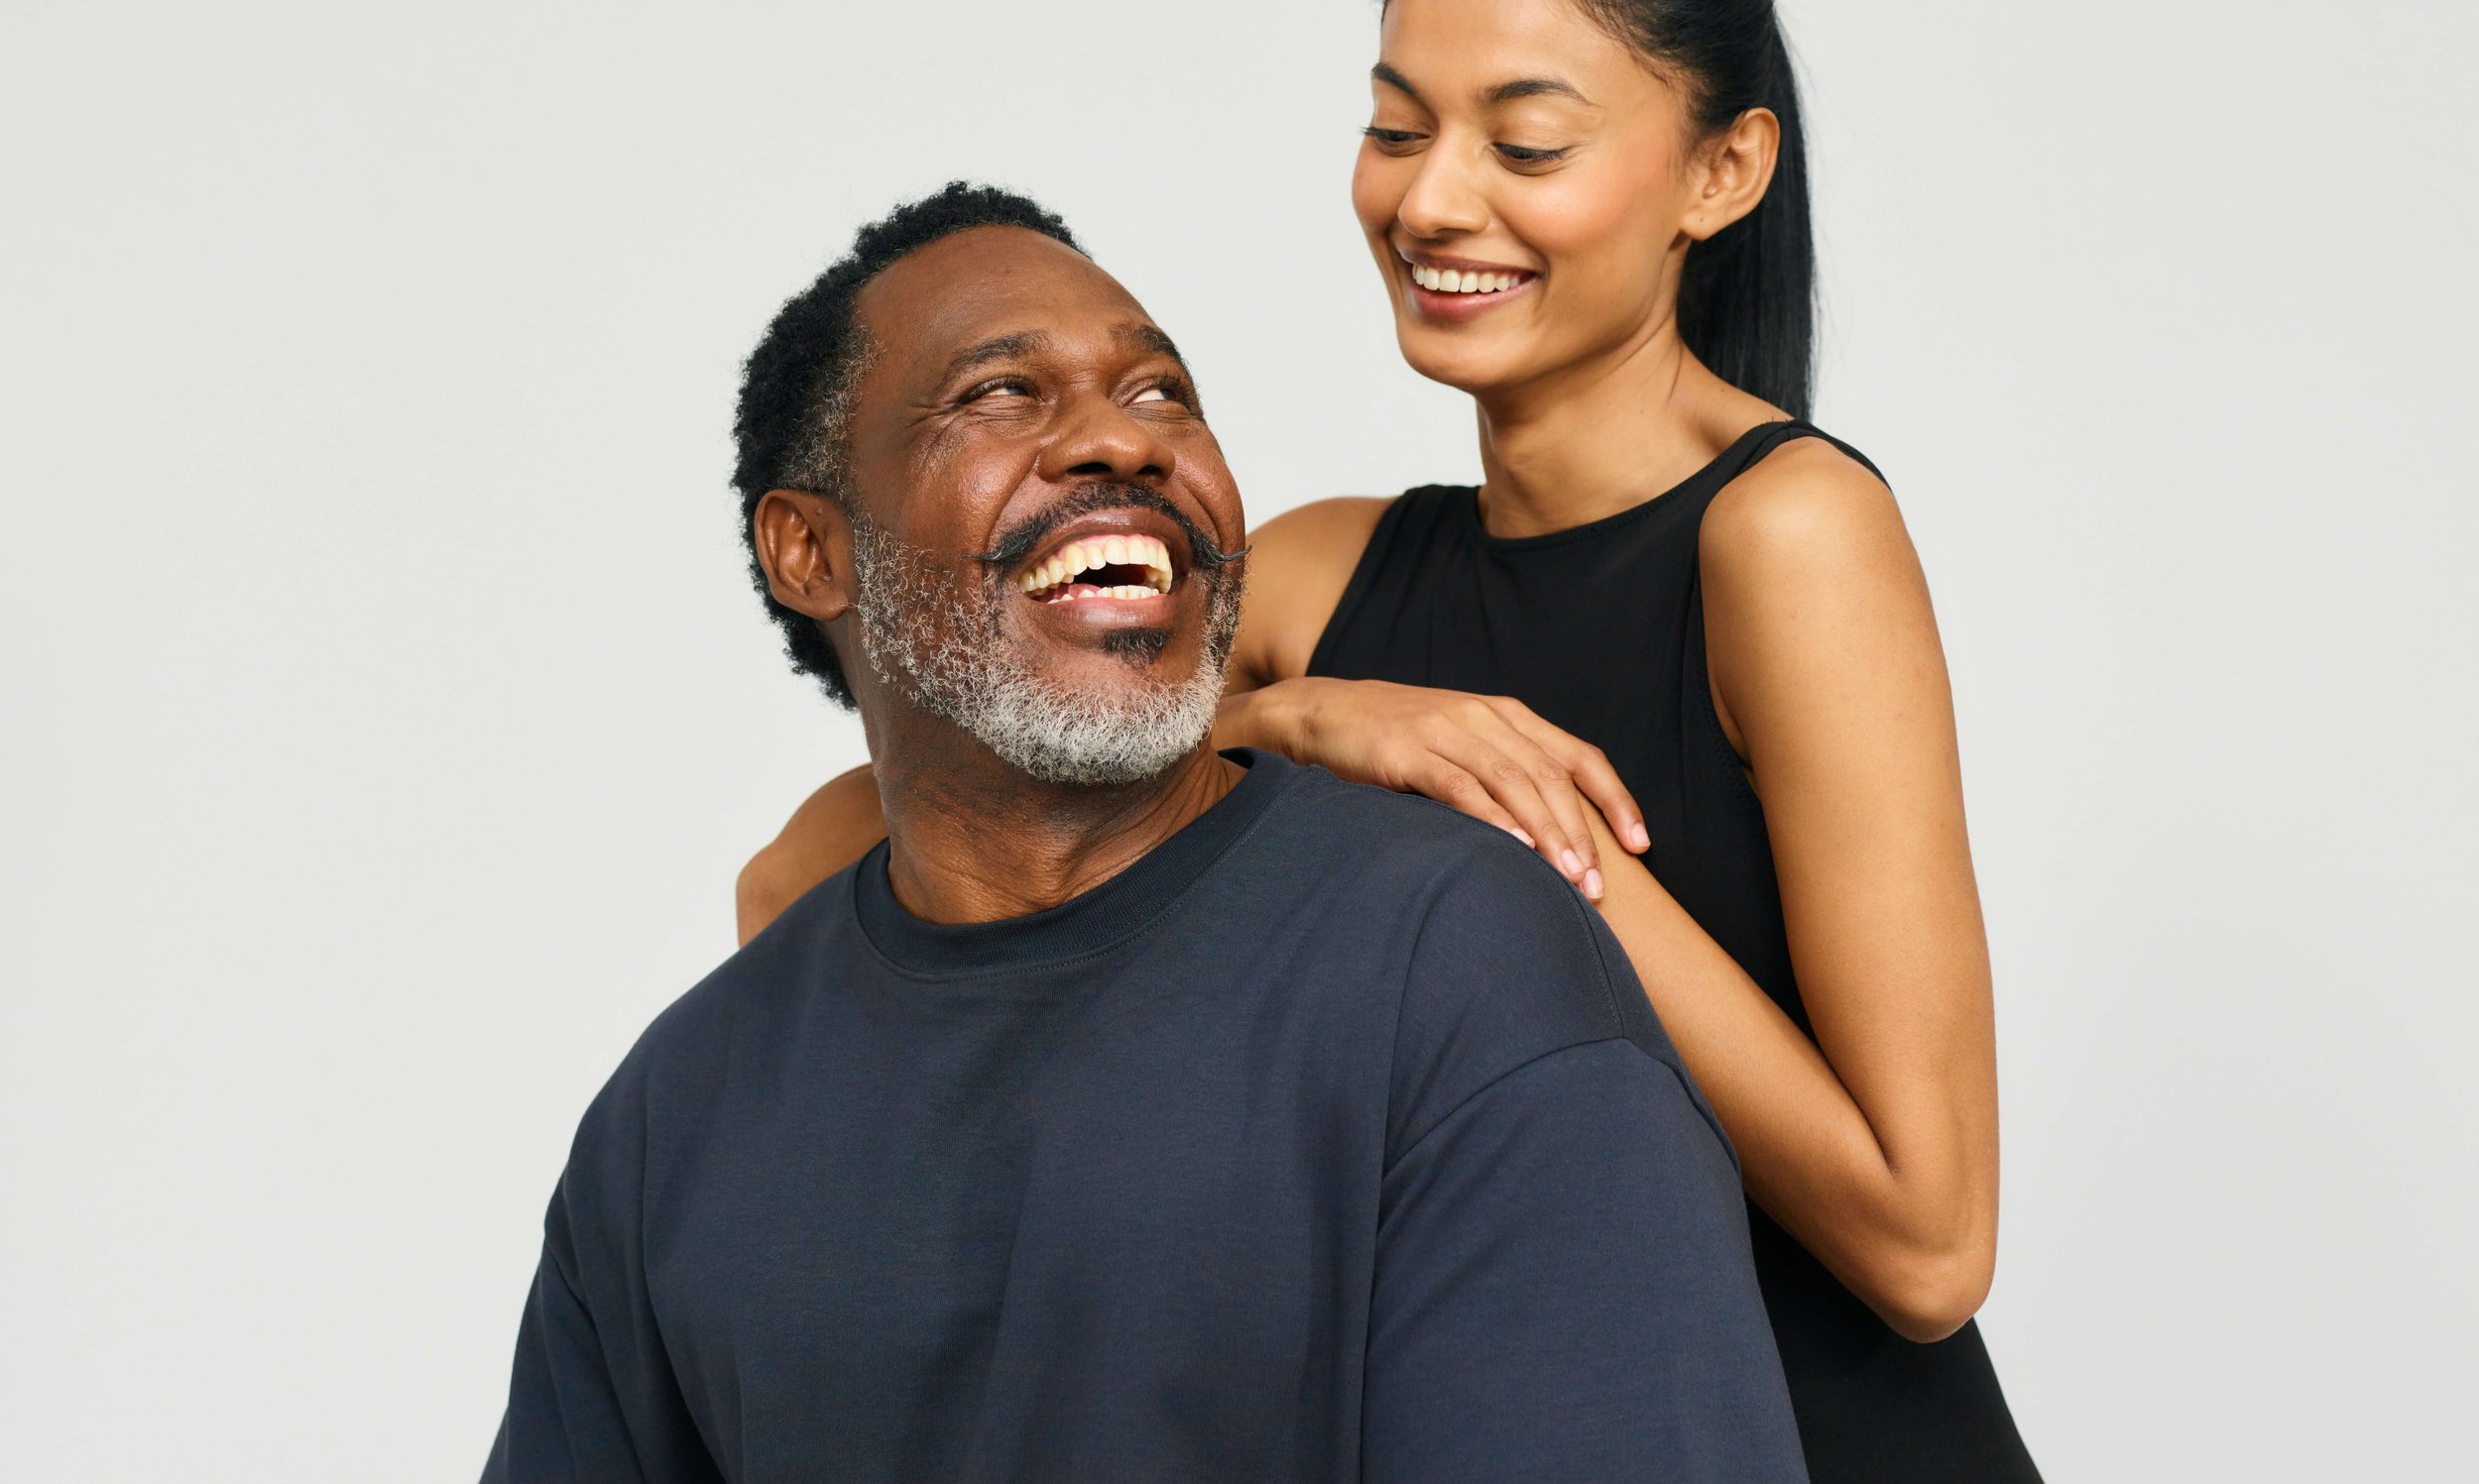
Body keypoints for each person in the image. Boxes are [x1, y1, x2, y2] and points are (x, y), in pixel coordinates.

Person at [739, 0, 2041, 1482]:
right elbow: (797, 882)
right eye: (1398, 126)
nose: (1432, 201)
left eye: (1527, 140)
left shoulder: (1789, 534)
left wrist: (1535, 854)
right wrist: (1304, 721)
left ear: (1723, 170)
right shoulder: (1321, 574)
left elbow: (1929, 1241)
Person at [484, 183, 1807, 1482]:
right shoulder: (676, 1116)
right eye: (1001, 393)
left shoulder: (1453, 967)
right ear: (811, 551)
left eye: (1164, 392)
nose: (1122, 440)